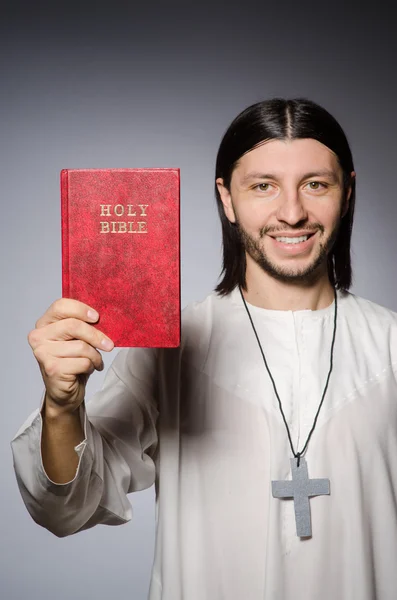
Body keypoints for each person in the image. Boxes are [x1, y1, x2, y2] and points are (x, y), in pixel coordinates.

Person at [11, 98, 397, 600]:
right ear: (227, 199)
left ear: (346, 193)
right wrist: (62, 407)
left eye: (315, 184)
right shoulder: (173, 345)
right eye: (263, 186)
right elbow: (68, 506)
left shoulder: (389, 344)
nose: (292, 212)